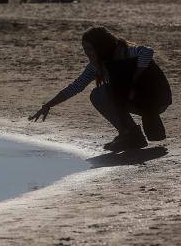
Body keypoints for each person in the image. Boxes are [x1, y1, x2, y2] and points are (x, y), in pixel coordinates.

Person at [29, 26, 171, 152]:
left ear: (101, 46)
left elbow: (147, 51)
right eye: (85, 50)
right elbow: (76, 86)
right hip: (135, 99)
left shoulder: (124, 52)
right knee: (97, 94)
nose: (87, 53)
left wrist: (134, 79)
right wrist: (48, 105)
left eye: (90, 49)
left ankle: (131, 135)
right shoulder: (95, 66)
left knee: (101, 93)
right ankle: (130, 134)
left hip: (157, 99)